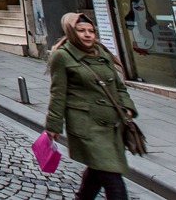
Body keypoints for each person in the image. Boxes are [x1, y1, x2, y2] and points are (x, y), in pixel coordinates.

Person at [46, 13, 137, 200]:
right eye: (81, 31)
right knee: (113, 180)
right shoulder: (62, 56)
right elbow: (58, 93)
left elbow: (118, 86)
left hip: (112, 126)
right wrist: (53, 126)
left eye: (91, 31)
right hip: (87, 127)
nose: (87, 35)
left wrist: (127, 107)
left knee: (97, 171)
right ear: (71, 32)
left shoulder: (102, 52)